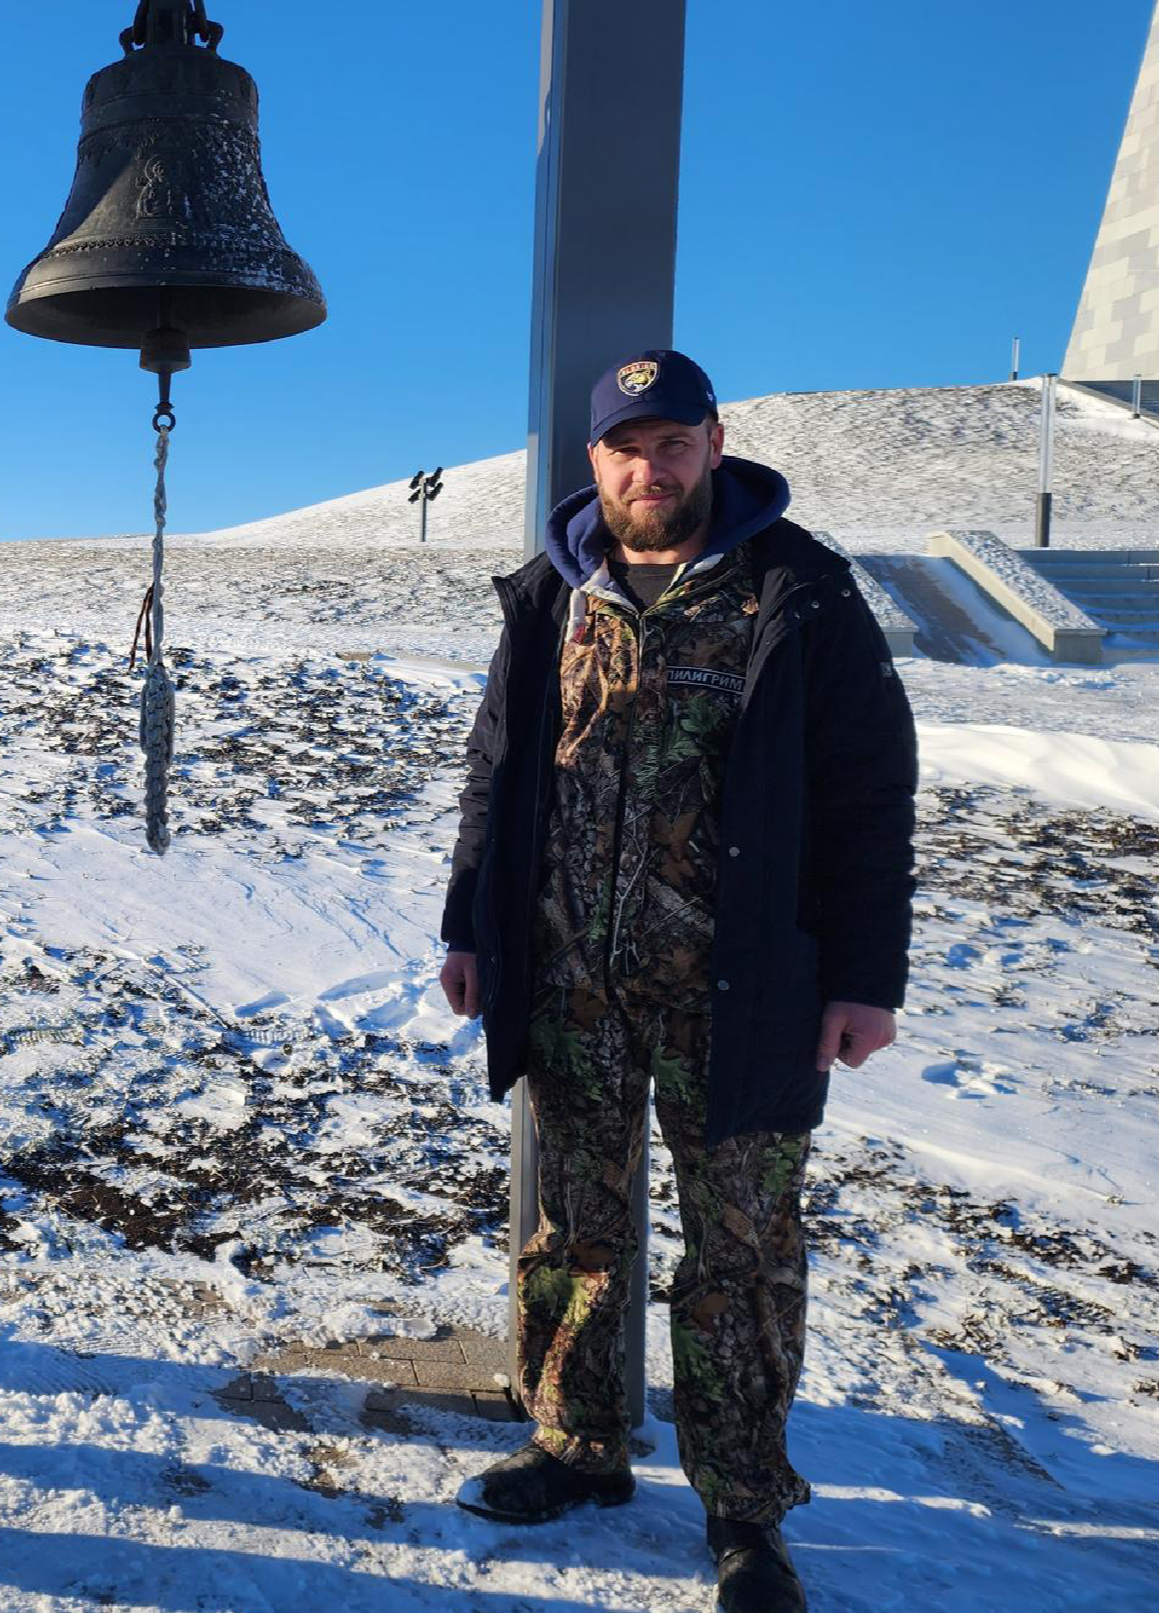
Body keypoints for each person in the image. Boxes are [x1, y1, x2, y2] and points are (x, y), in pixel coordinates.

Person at [437, 351, 915, 1613]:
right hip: (571, 981)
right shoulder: (553, 592)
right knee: (578, 1230)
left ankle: (746, 1508)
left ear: (717, 442)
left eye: (673, 442)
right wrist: (468, 922)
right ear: (593, 461)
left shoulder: (796, 590)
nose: (650, 468)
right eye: (624, 447)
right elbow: (497, 772)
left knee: (740, 1254)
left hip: (743, 989)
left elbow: (871, 794)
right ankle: (579, 1444)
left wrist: (865, 977)